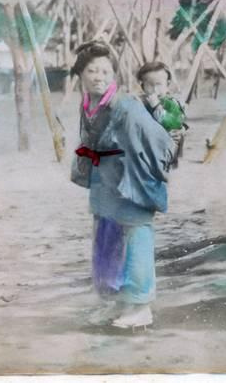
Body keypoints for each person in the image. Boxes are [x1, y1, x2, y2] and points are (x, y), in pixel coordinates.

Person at [69, 41, 176, 329]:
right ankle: (118, 303)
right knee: (107, 243)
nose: (98, 76)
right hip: (104, 184)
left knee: (136, 241)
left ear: (114, 73)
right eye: (91, 70)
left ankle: (141, 305)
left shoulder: (126, 105)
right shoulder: (90, 104)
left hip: (131, 183)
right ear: (81, 74)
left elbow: (161, 143)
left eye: (105, 70)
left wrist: (140, 172)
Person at [136, 61, 187, 167]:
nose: (155, 90)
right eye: (150, 85)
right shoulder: (139, 104)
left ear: (167, 84)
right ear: (142, 86)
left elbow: (174, 123)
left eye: (159, 85)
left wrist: (156, 106)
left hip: (167, 150)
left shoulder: (172, 103)